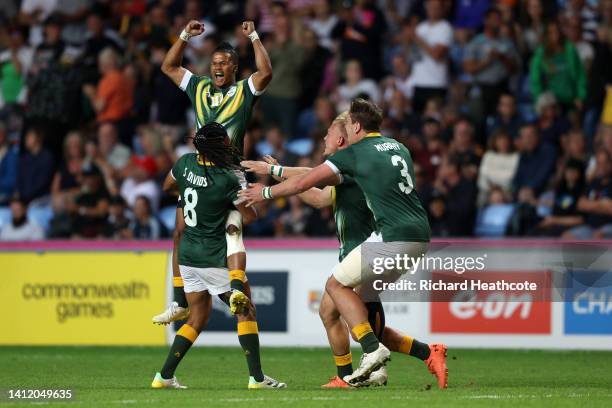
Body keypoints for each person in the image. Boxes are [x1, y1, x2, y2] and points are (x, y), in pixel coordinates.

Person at [240, 99, 440, 386]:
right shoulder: (393, 148)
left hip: (375, 242)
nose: (325, 138)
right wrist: (278, 172)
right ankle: (357, 371)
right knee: (334, 311)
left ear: (350, 131)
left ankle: (378, 362)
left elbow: (306, 181)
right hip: (405, 235)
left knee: (352, 310)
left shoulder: (354, 158)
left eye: (332, 132)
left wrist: (269, 188)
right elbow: (318, 194)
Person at [153, 18, 272, 324]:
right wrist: (183, 35)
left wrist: (255, 36)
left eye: (225, 62)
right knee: (179, 232)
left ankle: (234, 288)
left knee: (234, 229)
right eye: (215, 62)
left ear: (234, 67)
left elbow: (266, 72)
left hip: (229, 174)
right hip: (198, 169)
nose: (218, 67)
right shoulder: (199, 86)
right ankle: (179, 301)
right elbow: (168, 66)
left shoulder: (244, 91)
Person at [151, 122, 285, 390]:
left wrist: (199, 197)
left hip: (187, 257)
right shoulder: (227, 176)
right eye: (225, 141)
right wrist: (225, 205)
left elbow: (167, 188)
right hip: (213, 256)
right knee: (246, 310)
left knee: (197, 319)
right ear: (219, 144)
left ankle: (163, 376)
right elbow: (249, 214)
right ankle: (257, 378)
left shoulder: (184, 163)